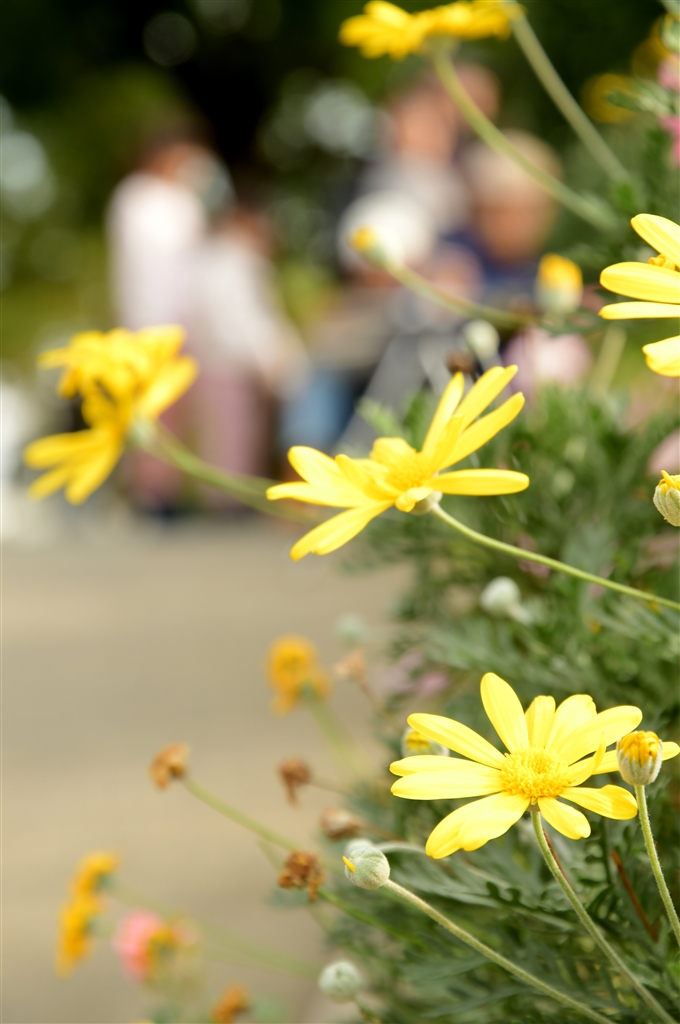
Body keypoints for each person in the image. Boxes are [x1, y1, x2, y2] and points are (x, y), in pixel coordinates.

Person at [188, 195, 309, 501]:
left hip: (226, 361)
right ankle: (230, 502)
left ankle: (228, 499)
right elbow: (243, 321)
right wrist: (265, 360)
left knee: (230, 438)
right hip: (232, 364)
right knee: (233, 438)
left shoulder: (217, 260)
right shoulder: (234, 263)